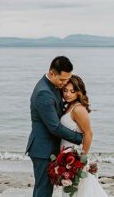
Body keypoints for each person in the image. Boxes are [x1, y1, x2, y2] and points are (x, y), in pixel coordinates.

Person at [26, 56, 83, 197]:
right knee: (43, 191)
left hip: (48, 148)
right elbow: (55, 127)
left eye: (66, 79)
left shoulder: (54, 85)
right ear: (52, 73)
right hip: (42, 150)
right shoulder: (43, 93)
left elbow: (59, 108)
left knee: (45, 190)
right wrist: (79, 137)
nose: (64, 83)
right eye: (62, 80)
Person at [60, 75, 108, 197]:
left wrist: (82, 158)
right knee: (72, 191)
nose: (68, 94)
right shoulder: (68, 107)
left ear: (79, 92)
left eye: (72, 91)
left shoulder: (78, 109)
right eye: (65, 90)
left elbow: (88, 134)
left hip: (75, 159)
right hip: (67, 158)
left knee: (79, 190)